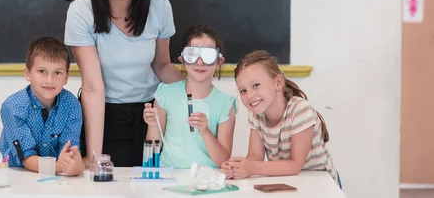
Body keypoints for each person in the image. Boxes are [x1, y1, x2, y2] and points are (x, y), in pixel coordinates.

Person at [64, 0, 183, 167]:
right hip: (104, 117)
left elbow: (162, 65)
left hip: (152, 114)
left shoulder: (160, 6)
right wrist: (95, 156)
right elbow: (92, 86)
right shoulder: (81, 11)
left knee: (156, 185)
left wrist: (192, 97)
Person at [220, 50, 341, 189]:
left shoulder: (300, 110)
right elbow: (254, 157)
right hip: (290, 182)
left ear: (278, 83)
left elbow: (295, 165)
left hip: (322, 184)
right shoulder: (256, 115)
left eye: (256, 85)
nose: (250, 96)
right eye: (243, 90)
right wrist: (236, 167)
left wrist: (252, 167)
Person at [143, 24, 237, 169]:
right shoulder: (165, 95)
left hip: (206, 180)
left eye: (208, 56)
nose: (200, 62)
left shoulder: (225, 104)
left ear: (219, 61)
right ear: (182, 59)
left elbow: (222, 161)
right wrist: (152, 124)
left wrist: (205, 132)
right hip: (169, 176)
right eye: (192, 55)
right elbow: (153, 147)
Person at [0, 37, 84, 176]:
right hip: (14, 175)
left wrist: (73, 164)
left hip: (54, 177)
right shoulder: (13, 106)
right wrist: (57, 167)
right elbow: (27, 159)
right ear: (28, 73)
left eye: (57, 72)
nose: (49, 80)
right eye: (42, 71)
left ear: (66, 77)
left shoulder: (72, 106)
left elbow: (69, 153)